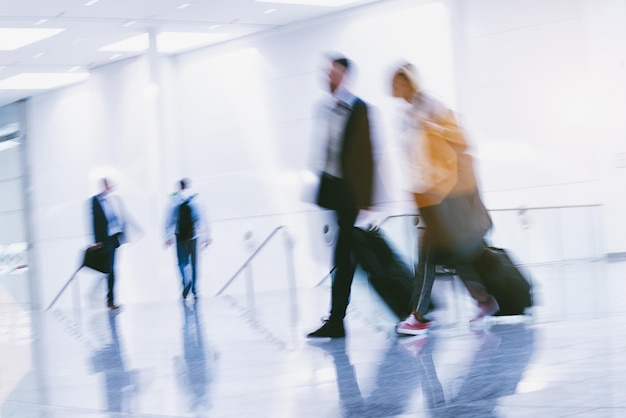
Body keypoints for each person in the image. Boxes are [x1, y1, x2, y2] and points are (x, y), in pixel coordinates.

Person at [389, 62, 496, 335]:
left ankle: (418, 315)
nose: (396, 88)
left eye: (400, 83)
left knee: (425, 256)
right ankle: (483, 299)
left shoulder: (431, 106)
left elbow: (462, 139)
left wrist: (433, 127)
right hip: (425, 195)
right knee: (452, 253)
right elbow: (411, 158)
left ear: (410, 82)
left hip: (442, 194)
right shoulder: (404, 116)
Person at [307, 56, 374, 338]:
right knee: (347, 255)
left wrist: (366, 198)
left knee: (345, 256)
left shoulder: (358, 109)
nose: (328, 76)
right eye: (327, 72)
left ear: (344, 75)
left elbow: (367, 154)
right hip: (334, 190)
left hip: (350, 193)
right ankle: (336, 318)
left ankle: (337, 318)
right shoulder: (325, 108)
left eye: (333, 72)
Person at [165, 178, 211, 300]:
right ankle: (195, 289)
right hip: (194, 235)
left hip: (179, 235)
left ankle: (185, 282)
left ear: (180, 186)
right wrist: (207, 236)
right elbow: (202, 218)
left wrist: (167, 237)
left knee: (181, 262)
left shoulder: (174, 199)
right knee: (194, 263)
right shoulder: (196, 199)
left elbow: (169, 220)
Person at [91, 177, 127, 310]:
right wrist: (96, 241)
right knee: (109, 270)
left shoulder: (113, 200)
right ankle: (109, 299)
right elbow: (94, 221)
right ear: (103, 185)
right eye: (107, 184)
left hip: (113, 239)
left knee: (111, 270)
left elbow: (118, 217)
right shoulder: (95, 200)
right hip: (104, 241)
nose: (109, 186)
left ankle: (110, 299)